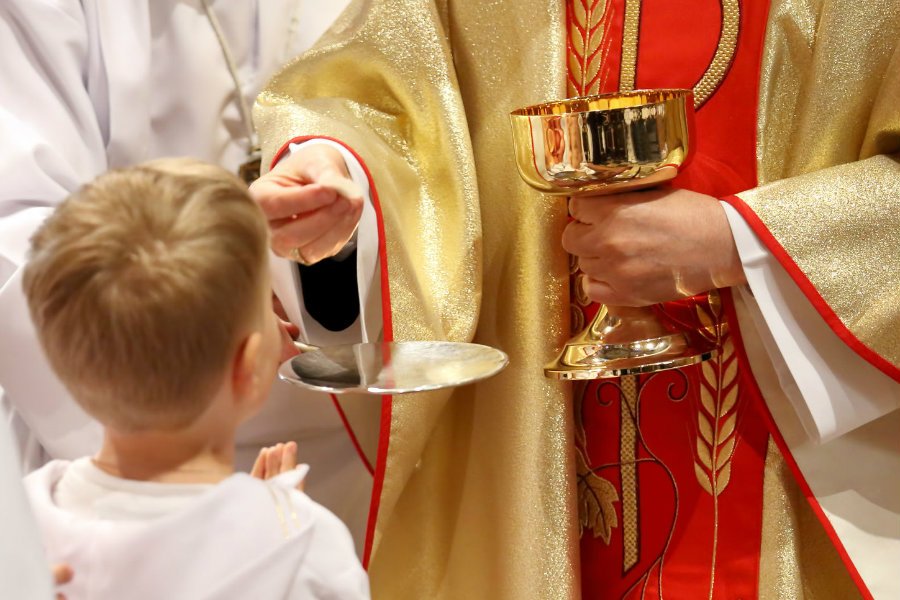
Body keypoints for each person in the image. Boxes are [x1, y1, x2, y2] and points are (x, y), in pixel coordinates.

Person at [250, 0, 900, 598]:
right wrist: (339, 172)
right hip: (527, 484)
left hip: (796, 498)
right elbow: (376, 98)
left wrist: (743, 243)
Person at [0, 0, 376, 549]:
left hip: (353, 430)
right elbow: (19, 221)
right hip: (118, 437)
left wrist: (339, 160)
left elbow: (417, 112)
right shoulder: (309, 550)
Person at [20, 159, 370, 599]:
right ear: (247, 365)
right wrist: (278, 527)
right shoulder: (303, 550)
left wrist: (259, 517)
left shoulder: (22, 523)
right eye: (267, 303)